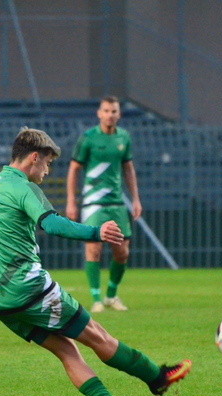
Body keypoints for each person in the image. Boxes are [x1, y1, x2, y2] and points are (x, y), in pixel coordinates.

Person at [0, 127, 191, 396]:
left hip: (1, 301)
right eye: (47, 163)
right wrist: (96, 232)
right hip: (30, 289)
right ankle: (158, 378)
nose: (47, 171)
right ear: (34, 157)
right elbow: (51, 225)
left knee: (67, 351)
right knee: (98, 337)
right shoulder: (24, 188)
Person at [66, 95, 142, 313]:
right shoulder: (88, 138)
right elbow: (73, 169)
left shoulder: (123, 138)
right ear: (99, 113)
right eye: (106, 111)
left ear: (119, 114)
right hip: (93, 203)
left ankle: (111, 295)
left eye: (114, 111)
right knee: (94, 248)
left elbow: (128, 168)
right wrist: (71, 201)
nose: (110, 115)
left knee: (122, 253)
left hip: (117, 203)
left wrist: (135, 199)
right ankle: (96, 299)